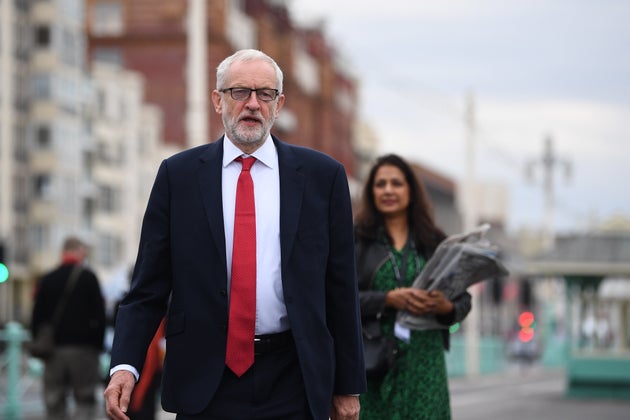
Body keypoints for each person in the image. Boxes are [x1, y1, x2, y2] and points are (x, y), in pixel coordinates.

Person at [104, 49, 366, 420]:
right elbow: (148, 287)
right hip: (205, 380)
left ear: (280, 104)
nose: (253, 104)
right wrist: (124, 366)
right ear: (217, 100)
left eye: (265, 94)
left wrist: (347, 385)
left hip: (295, 377)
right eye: (240, 92)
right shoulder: (178, 177)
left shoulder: (323, 178)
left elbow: (342, 289)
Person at [354, 154, 472, 419]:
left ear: (411, 190)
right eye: (380, 184)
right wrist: (387, 300)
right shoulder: (357, 241)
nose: (388, 190)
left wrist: (446, 307)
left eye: (396, 183)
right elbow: (338, 300)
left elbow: (464, 300)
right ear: (371, 192)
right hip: (374, 360)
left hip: (425, 361)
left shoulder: (433, 241)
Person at [31, 236, 107, 420]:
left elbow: (36, 317)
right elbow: (100, 315)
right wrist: (97, 345)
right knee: (85, 399)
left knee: (54, 401)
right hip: (84, 350)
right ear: (77, 251)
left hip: (54, 350)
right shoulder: (89, 277)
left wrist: (41, 342)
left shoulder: (48, 279)